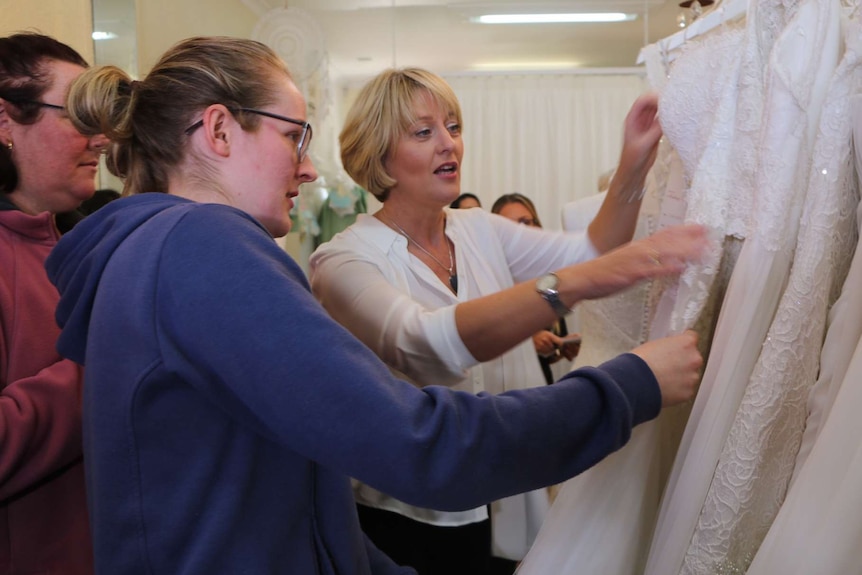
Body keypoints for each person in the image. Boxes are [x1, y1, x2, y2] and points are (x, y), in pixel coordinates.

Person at [48, 36, 705, 575]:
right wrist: (631, 384)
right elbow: (422, 444)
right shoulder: (204, 246)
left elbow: (287, 492)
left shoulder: (146, 251)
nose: (308, 169)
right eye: (295, 137)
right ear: (219, 130)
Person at [309, 66, 706, 574]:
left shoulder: (478, 231)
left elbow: (591, 248)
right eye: (423, 132)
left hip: (505, 495)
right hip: (406, 515)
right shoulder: (342, 261)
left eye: (453, 127)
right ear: (379, 153)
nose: (448, 144)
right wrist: (582, 281)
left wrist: (634, 159)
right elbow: (425, 343)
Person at [0, 32, 107, 574]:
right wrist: (110, 362)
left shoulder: (79, 246)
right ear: (4, 123)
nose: (102, 139)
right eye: (78, 117)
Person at [491, 192, 579, 385]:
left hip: (539, 387)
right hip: (501, 390)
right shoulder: (487, 281)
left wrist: (559, 347)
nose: (519, 231)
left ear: (537, 226)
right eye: (508, 226)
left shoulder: (548, 280)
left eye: (525, 222)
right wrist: (527, 345)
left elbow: (548, 351)